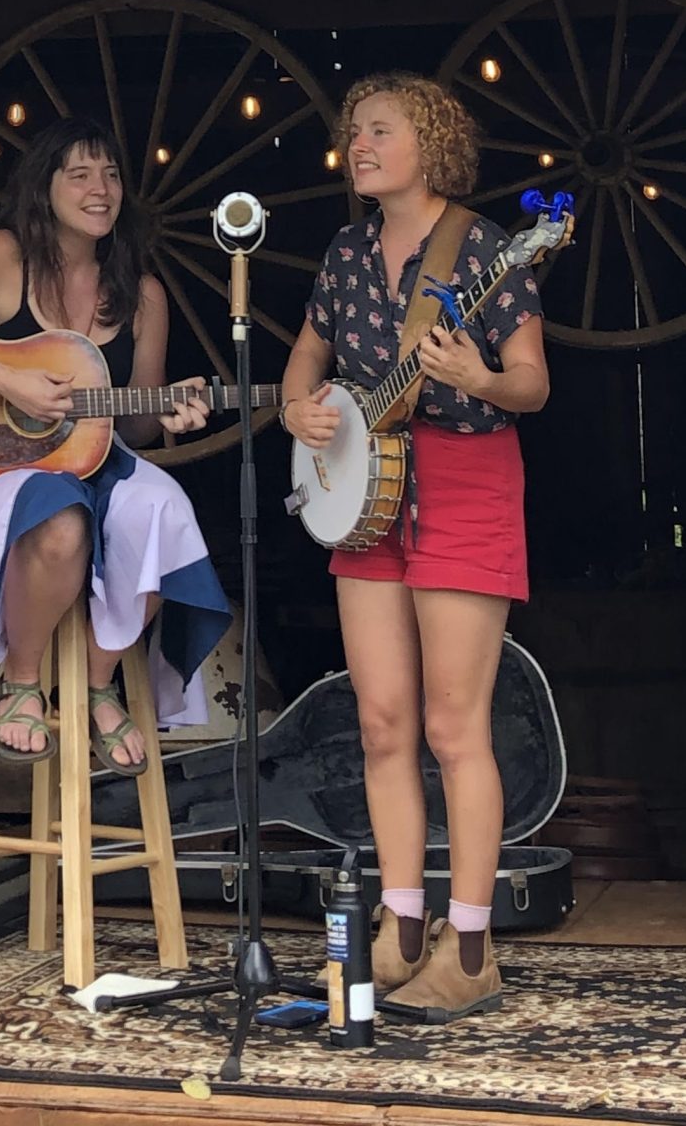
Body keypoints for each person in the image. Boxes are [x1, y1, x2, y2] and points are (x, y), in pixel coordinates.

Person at [280, 73, 548, 1021]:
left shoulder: (483, 248)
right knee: (383, 723)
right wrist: (298, 406)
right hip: (368, 491)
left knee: (451, 726)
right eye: (353, 133)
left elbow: (531, 385)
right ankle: (399, 932)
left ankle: (469, 948)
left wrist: (477, 372)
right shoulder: (347, 251)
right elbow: (306, 356)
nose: (358, 146)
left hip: (468, 479)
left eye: (378, 131)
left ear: (427, 145)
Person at [0, 117, 230, 768]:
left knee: (163, 508)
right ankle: (21, 682)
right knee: (61, 517)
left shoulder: (143, 296)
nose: (101, 188)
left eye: (112, 174)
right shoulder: (1, 258)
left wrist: (169, 411)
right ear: (44, 188)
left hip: (94, 467)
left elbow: (133, 429)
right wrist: (6, 382)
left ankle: (99, 683)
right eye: (80, 174)